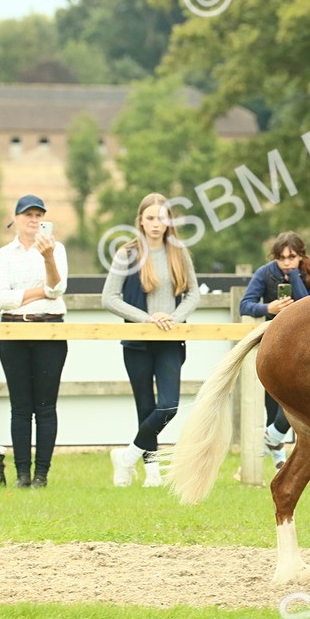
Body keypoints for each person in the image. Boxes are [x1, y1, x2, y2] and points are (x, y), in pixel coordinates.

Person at [102, 193, 200, 487]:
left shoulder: (179, 253)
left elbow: (194, 293)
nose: (156, 224)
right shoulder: (127, 254)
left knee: (168, 406)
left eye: (162, 218)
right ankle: (152, 472)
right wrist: (147, 318)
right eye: (150, 218)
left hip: (170, 340)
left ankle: (127, 457)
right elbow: (109, 298)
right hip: (138, 341)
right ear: (141, 221)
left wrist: (174, 317)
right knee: (145, 406)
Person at [0, 194, 69, 488]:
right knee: (20, 407)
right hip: (14, 331)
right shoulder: (4, 255)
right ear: (17, 219)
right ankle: (22, 473)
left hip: (49, 330)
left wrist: (47, 259)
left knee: (46, 406)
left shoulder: (55, 249)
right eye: (28, 215)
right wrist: (38, 293)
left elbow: (58, 288)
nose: (33, 220)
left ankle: (41, 475)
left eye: (38, 215)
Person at [239, 231, 310, 466]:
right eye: (282, 258)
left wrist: (294, 277)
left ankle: (272, 442)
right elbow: (245, 305)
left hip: (306, 346)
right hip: (275, 345)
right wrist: (269, 308)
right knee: (273, 400)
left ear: (301, 256)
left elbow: (308, 308)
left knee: (294, 400)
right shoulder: (265, 273)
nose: (287, 262)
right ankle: (278, 458)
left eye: (292, 257)